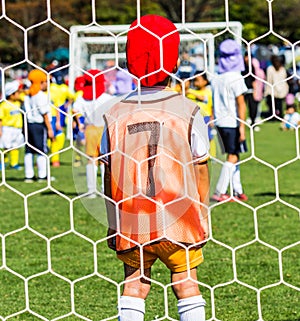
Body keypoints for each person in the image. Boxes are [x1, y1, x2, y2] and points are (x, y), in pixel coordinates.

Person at [101, 14, 210, 321]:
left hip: (133, 218)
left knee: (134, 285)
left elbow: (108, 175)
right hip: (180, 217)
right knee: (186, 282)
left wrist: (113, 220)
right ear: (173, 60)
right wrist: (201, 209)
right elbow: (200, 165)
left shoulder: (114, 115)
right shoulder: (188, 110)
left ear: (128, 59)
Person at [211, 39, 248, 202]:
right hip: (232, 122)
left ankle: (237, 190)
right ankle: (219, 191)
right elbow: (241, 104)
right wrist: (242, 127)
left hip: (220, 122)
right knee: (232, 156)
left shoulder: (216, 78)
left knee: (235, 155)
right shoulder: (236, 78)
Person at [72, 69, 112, 197]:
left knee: (91, 159)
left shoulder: (82, 98)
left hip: (90, 129)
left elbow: (74, 110)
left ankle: (91, 190)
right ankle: (104, 189)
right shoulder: (106, 97)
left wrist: (79, 123)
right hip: (104, 129)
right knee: (104, 160)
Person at [23, 69, 54, 182]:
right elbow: (44, 114)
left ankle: (29, 175)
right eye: (45, 81)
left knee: (29, 150)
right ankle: (42, 175)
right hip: (38, 125)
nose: (47, 84)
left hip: (28, 125)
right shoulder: (40, 95)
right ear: (40, 82)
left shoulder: (28, 95)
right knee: (41, 149)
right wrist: (50, 129)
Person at [186, 72, 216, 157]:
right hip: (195, 118)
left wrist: (212, 117)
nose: (196, 83)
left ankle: (212, 154)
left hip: (205, 118)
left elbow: (203, 98)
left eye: (198, 80)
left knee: (209, 136)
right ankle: (197, 153)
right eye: (194, 80)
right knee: (196, 137)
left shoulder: (207, 92)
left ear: (205, 81)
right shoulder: (192, 92)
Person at [0, 80, 24, 170]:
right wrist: (0, 130)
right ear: (11, 94)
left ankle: (14, 163)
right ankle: (3, 162)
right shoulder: (4, 105)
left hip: (17, 129)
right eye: (17, 93)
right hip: (7, 129)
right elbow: (0, 119)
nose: (19, 94)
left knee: (15, 146)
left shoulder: (18, 103)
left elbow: (23, 97)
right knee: (7, 147)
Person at [264, 54, 289, 119]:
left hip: (281, 90)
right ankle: (273, 116)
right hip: (273, 90)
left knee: (280, 104)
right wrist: (267, 91)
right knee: (272, 104)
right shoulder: (270, 69)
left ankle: (280, 116)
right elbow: (268, 80)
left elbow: (284, 79)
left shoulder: (282, 69)